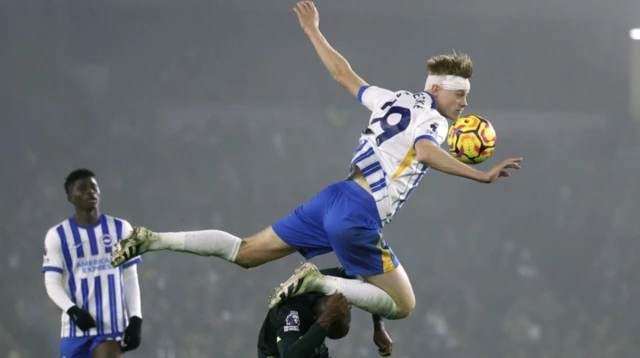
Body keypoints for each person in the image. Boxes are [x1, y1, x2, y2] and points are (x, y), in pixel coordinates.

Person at [110, 1, 521, 321]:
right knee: (404, 305)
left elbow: (345, 76)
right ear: (435, 87)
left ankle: (153, 239)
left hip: (335, 196)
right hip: (360, 213)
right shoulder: (435, 120)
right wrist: (480, 175)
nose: (464, 102)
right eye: (459, 95)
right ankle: (318, 281)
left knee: (247, 252)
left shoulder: (393, 98)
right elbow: (428, 153)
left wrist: (313, 31)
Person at [43, 169, 143, 357]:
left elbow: (130, 276)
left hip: (110, 327)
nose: (90, 191)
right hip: (74, 330)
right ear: (71, 197)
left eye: (94, 187)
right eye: (83, 188)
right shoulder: (57, 236)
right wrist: (72, 310)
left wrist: (136, 319)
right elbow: (51, 283)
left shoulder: (121, 229)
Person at [257, 267, 393, 358]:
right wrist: (327, 317)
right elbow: (289, 355)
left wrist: (379, 326)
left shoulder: (330, 281)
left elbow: (369, 280)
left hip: (312, 344)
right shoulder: (291, 311)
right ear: (316, 319)